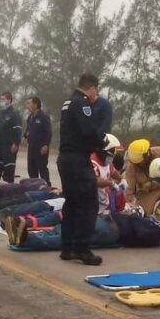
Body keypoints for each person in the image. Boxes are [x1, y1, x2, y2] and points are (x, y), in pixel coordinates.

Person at [5, 134, 122, 252]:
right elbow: (93, 180)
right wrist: (110, 184)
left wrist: (122, 181)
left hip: (96, 210)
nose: (113, 155)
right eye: (111, 151)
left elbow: (114, 173)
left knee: (56, 223)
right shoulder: (91, 163)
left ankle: (24, 231)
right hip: (88, 209)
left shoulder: (107, 164)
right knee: (56, 220)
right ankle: (22, 225)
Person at [58, 73, 109, 265]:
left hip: (65, 159)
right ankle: (82, 248)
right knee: (88, 204)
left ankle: (67, 247)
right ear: (92, 87)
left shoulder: (68, 103)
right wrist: (101, 142)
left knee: (71, 203)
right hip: (78, 160)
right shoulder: (83, 104)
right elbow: (88, 131)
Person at [0, 91, 22, 183]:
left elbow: (18, 129)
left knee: (8, 168)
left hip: (9, 146)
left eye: (3, 99)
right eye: (1, 99)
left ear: (9, 100)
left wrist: (16, 143)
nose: (1, 101)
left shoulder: (15, 113)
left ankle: (8, 188)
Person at [23, 96, 52, 185]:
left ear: (35, 105)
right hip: (31, 147)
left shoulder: (44, 117)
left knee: (42, 168)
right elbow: (28, 129)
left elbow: (48, 132)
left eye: (29, 103)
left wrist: (46, 145)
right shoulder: (30, 117)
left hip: (41, 147)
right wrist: (24, 137)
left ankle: (47, 186)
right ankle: (35, 186)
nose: (27, 105)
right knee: (31, 168)